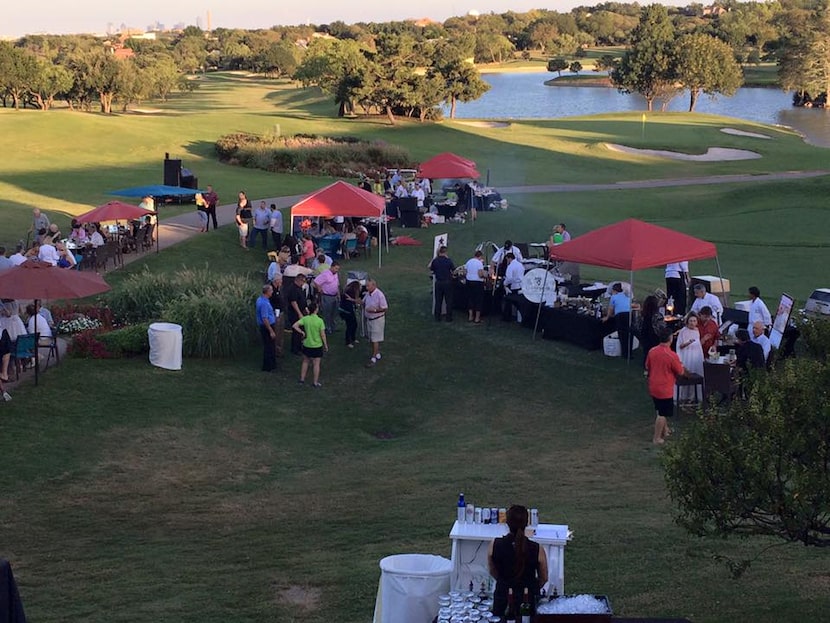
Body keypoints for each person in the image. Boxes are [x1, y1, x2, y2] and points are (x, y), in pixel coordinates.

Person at [487, 505, 548, 618]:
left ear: (507, 522)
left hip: (503, 597)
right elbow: (543, 578)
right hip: (528, 597)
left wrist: (504, 581)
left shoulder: (494, 544)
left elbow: (493, 571)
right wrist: (532, 587)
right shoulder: (537, 548)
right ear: (527, 523)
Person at [646, 328, 687, 444]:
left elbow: (647, 366)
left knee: (659, 409)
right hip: (665, 388)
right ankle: (657, 438)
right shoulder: (671, 355)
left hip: (653, 385)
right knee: (662, 413)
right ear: (671, 338)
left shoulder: (652, 351)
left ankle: (665, 430)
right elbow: (680, 372)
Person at [293, 300, 328, 387]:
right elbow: (322, 335)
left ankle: (302, 379)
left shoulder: (305, 319)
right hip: (317, 345)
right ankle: (315, 382)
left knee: (305, 361)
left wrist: (302, 332)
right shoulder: (320, 321)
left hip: (307, 344)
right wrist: (325, 345)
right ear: (316, 310)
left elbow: (294, 326)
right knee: (316, 364)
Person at [676, 313, 704, 402]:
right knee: (687, 374)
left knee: (696, 373)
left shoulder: (697, 330)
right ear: (687, 321)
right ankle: (684, 396)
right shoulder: (683, 331)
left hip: (696, 356)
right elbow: (680, 346)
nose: (692, 323)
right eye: (691, 321)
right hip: (687, 355)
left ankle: (693, 396)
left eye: (694, 321)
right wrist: (689, 342)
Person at [603, 282, 632, 359]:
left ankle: (624, 354)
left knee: (622, 333)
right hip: (629, 314)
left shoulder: (614, 297)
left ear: (614, 290)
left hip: (620, 316)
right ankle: (630, 352)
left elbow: (611, 308)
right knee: (628, 333)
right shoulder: (627, 297)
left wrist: (607, 317)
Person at [363, 278, 388, 367]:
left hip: (377, 320)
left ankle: (373, 358)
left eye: (368, 286)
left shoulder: (379, 295)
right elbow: (363, 303)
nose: (366, 287)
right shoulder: (367, 294)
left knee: (375, 339)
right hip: (369, 320)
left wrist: (374, 310)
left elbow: (385, 308)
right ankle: (377, 352)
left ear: (374, 285)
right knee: (372, 338)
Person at [283, 273, 309, 355]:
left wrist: (305, 309)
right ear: (298, 280)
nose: (303, 283)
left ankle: (300, 346)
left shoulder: (300, 288)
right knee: (296, 331)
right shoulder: (293, 289)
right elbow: (294, 302)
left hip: (302, 310)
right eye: (303, 281)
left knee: (301, 330)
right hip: (295, 313)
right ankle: (295, 349)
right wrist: (299, 313)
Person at [313, 260, 341, 334]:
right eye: (336, 268)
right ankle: (327, 328)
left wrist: (338, 294)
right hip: (327, 296)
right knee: (327, 312)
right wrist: (320, 290)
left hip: (335, 296)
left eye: (338, 269)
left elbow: (337, 284)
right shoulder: (325, 274)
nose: (337, 270)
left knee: (334, 312)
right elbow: (316, 281)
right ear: (331, 267)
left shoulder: (335, 274)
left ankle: (333, 326)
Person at [428, 246, 455, 322]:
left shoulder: (435, 261)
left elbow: (431, 268)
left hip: (439, 282)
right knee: (448, 301)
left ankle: (437, 317)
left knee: (438, 301)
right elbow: (453, 270)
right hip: (447, 282)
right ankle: (448, 318)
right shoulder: (448, 261)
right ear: (445, 252)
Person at [255, 284, 278, 372]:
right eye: (271, 290)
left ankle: (271, 364)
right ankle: (268, 366)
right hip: (267, 327)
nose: (272, 292)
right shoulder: (264, 303)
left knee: (270, 346)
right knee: (269, 346)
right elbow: (264, 318)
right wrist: (271, 331)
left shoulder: (261, 299)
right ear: (267, 292)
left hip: (267, 325)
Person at [638, 295, 663, 368]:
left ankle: (646, 365)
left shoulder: (642, 314)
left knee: (646, 352)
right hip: (654, 336)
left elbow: (638, 325)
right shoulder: (657, 315)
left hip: (644, 335)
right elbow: (661, 327)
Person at [464, 250, 486, 324]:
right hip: (478, 283)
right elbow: (480, 274)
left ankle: (470, 316)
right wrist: (485, 275)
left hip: (469, 282)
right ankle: (477, 318)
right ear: (480, 256)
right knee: (478, 300)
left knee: (470, 298)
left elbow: (465, 272)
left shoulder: (469, 261)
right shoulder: (479, 263)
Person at [501, 252, 524, 322]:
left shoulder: (510, 266)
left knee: (508, 301)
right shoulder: (520, 265)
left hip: (514, 286)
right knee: (518, 303)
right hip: (521, 285)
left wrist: (504, 283)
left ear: (509, 258)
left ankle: (506, 317)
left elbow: (509, 278)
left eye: (507, 259)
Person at [339, 280, 361, 348]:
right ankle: (348, 341)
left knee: (354, 324)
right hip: (347, 312)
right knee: (350, 326)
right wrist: (354, 301)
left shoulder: (349, 292)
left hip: (348, 311)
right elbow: (356, 301)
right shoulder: (349, 293)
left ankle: (353, 338)